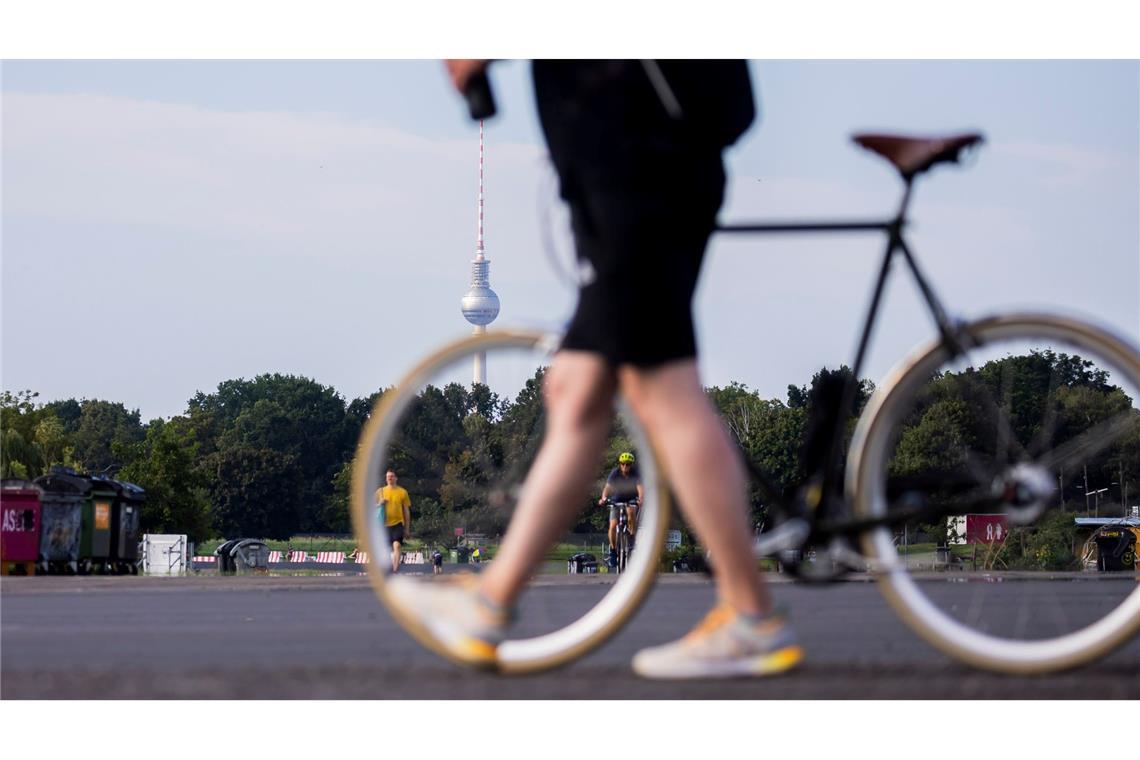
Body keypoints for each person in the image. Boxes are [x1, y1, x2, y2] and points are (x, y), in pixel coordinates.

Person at [386, 60, 801, 680]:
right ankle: (490, 601)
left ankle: (751, 614)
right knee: (576, 387)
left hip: (638, 161)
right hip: (635, 160)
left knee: (662, 389)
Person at [597, 452, 644, 567]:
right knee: (613, 525)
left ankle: (632, 538)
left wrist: (641, 499)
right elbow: (607, 487)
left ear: (631, 465)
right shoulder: (615, 473)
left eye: (627, 464)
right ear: (620, 464)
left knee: (631, 512)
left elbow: (640, 488)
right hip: (616, 500)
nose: (625, 466)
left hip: (631, 499)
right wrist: (603, 498)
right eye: (623, 464)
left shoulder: (635, 474)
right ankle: (613, 550)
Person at [376, 470, 412, 574]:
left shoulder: (402, 492)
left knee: (397, 546)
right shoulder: (380, 491)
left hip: (398, 523)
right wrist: (379, 503)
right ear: (386, 479)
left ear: (396, 478)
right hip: (383, 524)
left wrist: (407, 528)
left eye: (392, 476)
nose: (390, 478)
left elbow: (406, 511)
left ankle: (395, 570)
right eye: (388, 477)